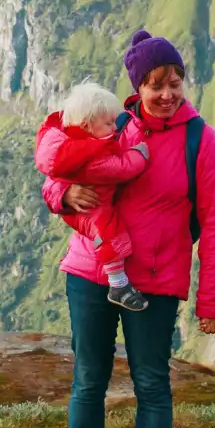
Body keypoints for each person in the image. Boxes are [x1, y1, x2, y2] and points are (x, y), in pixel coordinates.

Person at [41, 30, 215, 428]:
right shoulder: (111, 126)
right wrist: (64, 194)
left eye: (175, 82)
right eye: (156, 84)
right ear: (137, 87)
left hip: (156, 279)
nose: (167, 93)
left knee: (152, 385)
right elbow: (53, 169)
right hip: (90, 270)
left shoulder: (201, 140)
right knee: (90, 378)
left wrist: (211, 299)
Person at [33, 83, 154, 311]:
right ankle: (118, 283)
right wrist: (140, 154)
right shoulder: (89, 155)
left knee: (107, 231)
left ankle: (117, 282)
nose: (114, 128)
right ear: (88, 125)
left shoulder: (70, 148)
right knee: (109, 233)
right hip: (92, 213)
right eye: (109, 124)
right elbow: (120, 168)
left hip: (147, 267)